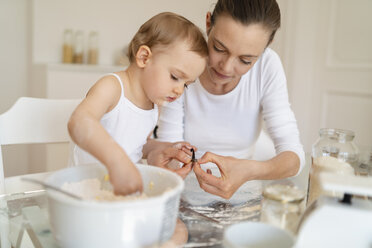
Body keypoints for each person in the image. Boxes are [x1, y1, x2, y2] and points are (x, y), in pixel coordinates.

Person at [144, 0, 305, 204]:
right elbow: (170, 146)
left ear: (266, 46)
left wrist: (250, 170)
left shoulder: (268, 67)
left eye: (245, 60)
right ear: (208, 23)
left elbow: (294, 157)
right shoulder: (184, 60)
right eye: (219, 48)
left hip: (245, 195)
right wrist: (170, 162)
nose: (226, 68)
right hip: (185, 193)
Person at [67, 12, 208, 196]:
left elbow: (137, 146)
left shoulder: (153, 106)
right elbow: (79, 122)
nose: (180, 90)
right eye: (175, 77)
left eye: (186, 85)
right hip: (85, 193)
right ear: (144, 57)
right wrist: (117, 161)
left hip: (121, 196)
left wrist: (163, 148)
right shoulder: (112, 87)